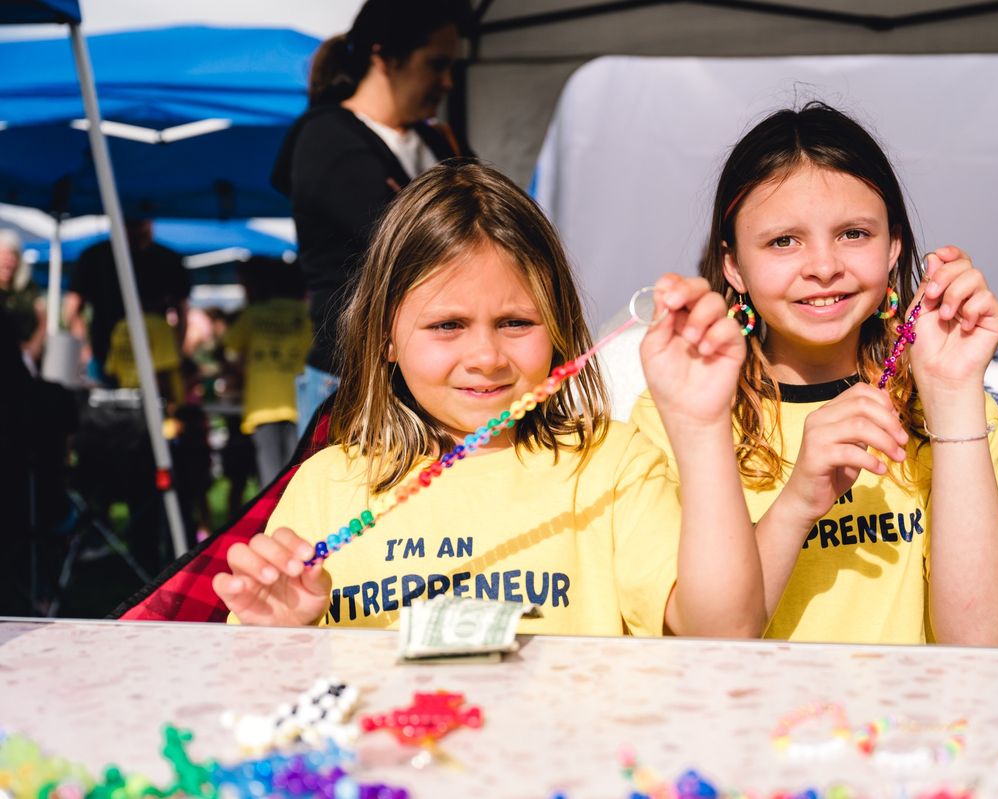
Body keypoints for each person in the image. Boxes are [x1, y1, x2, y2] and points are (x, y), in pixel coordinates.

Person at [213, 162, 764, 638]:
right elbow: (262, 682)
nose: (486, 356)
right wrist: (285, 638)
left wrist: (702, 425)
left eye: (516, 323)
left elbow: (725, 631)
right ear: (384, 336)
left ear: (559, 329)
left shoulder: (612, 466)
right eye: (448, 325)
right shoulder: (325, 484)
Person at [630, 103, 998, 646]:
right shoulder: (675, 417)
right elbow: (705, 640)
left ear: (894, 244)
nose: (824, 266)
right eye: (784, 240)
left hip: (909, 728)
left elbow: (979, 644)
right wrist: (800, 499)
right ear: (733, 265)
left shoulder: (945, 405)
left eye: (854, 234)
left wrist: (951, 394)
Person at [271, 0, 474, 434]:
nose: (446, 82)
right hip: (354, 382)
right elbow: (414, 247)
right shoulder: (327, 138)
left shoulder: (433, 141)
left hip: (433, 379)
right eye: (436, 65)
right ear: (383, 55)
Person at [63, 218, 189, 384]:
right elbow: (72, 307)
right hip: (105, 358)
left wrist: (176, 349)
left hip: (157, 362)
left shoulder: (168, 259)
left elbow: (182, 310)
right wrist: (85, 351)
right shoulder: (94, 257)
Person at [224, 258, 312, 487]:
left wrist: (240, 370)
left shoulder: (253, 314)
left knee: (270, 482)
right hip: (299, 404)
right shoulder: (304, 314)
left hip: (262, 404)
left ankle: (273, 523)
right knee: (297, 478)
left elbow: (228, 351)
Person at [0, 229, 46, 375]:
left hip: (26, 360)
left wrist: (33, 346)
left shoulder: (28, 288)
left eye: (12, 255)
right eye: (4, 255)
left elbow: (43, 320)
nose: (8, 260)